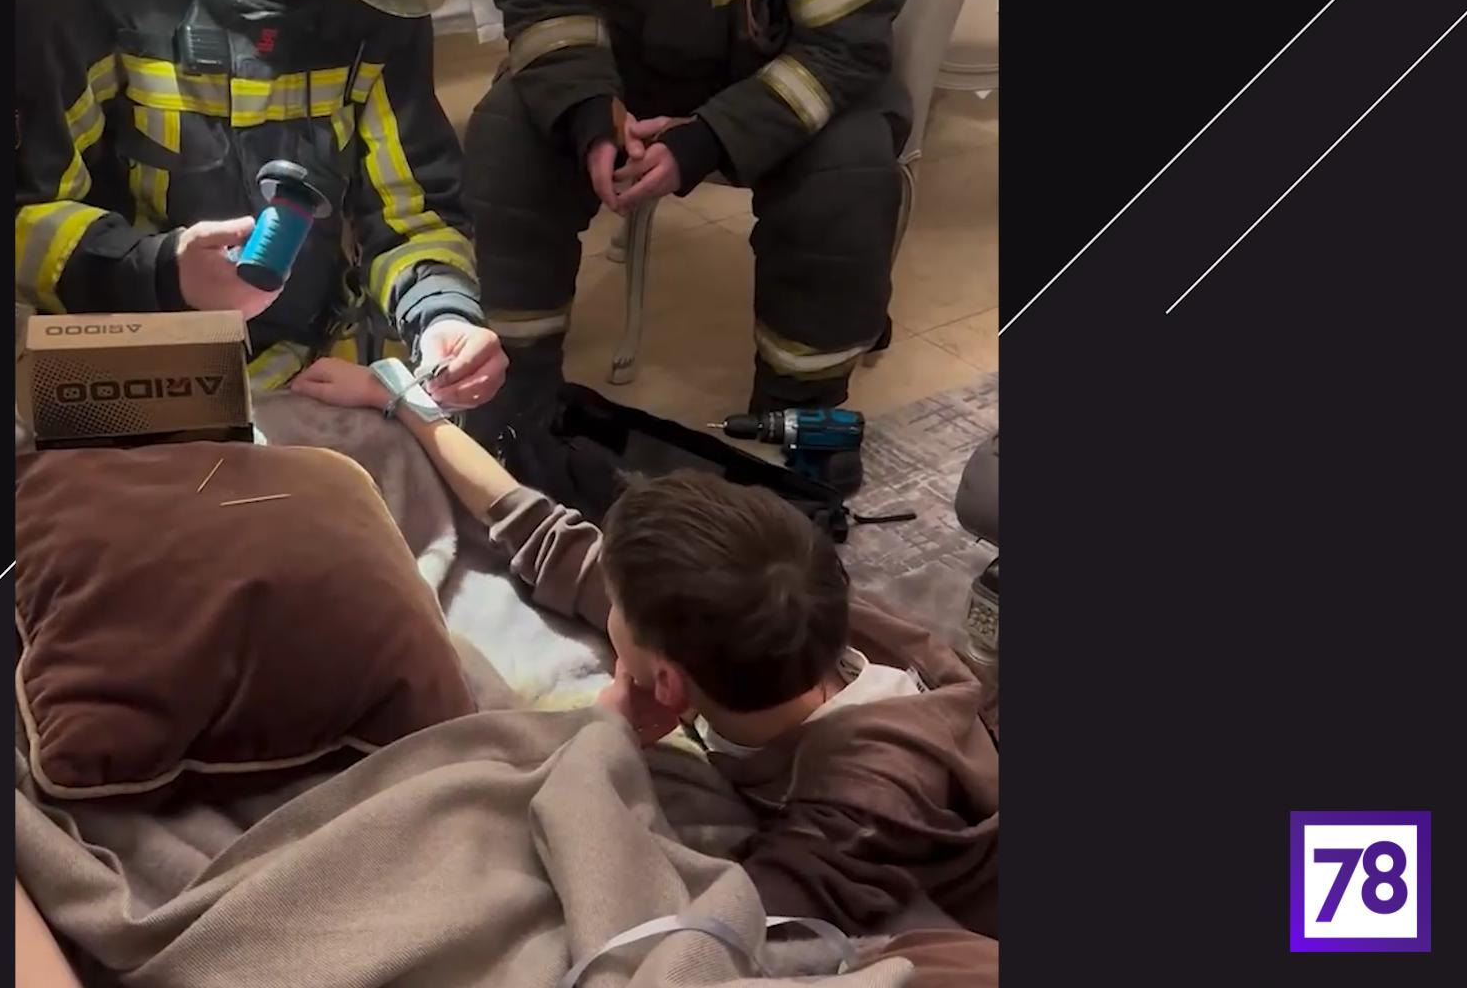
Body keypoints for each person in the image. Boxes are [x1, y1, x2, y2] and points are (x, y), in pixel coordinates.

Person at [291, 355, 999, 938]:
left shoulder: (865, 805)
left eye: (618, 607)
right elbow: (538, 528)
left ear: (667, 684)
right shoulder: (761, 611)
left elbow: (707, 940)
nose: (602, 587)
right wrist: (401, 400)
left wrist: (600, 738)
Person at [15, 0, 505, 407]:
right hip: (121, 381)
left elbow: (411, 214)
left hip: (305, 373)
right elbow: (25, 216)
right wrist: (159, 271)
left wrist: (442, 312)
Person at [463, 0, 910, 439]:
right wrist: (587, 109)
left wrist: (709, 139)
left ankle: (801, 418)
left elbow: (842, 50)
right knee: (506, 141)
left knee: (846, 179)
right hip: (625, 72)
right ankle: (514, 400)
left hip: (789, 75)